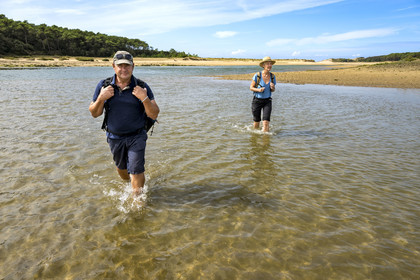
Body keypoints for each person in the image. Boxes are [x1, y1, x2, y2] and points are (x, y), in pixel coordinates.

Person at [89, 50, 160, 195]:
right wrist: (101, 98)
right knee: (122, 170)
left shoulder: (141, 86)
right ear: (113, 66)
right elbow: (95, 113)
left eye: (127, 66)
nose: (124, 69)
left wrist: (144, 98)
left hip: (137, 136)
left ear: (133, 67)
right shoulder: (104, 85)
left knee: (136, 168)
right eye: (120, 65)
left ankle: (138, 200)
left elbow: (154, 113)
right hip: (114, 137)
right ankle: (130, 184)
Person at [249, 56, 277, 132]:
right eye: (268, 64)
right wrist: (258, 90)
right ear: (263, 65)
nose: (270, 65)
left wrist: (272, 87)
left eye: (270, 64)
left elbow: (273, 90)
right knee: (256, 122)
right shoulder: (257, 75)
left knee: (266, 122)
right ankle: (255, 138)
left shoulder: (272, 76)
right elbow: (251, 87)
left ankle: (265, 141)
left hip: (267, 101)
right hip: (257, 101)